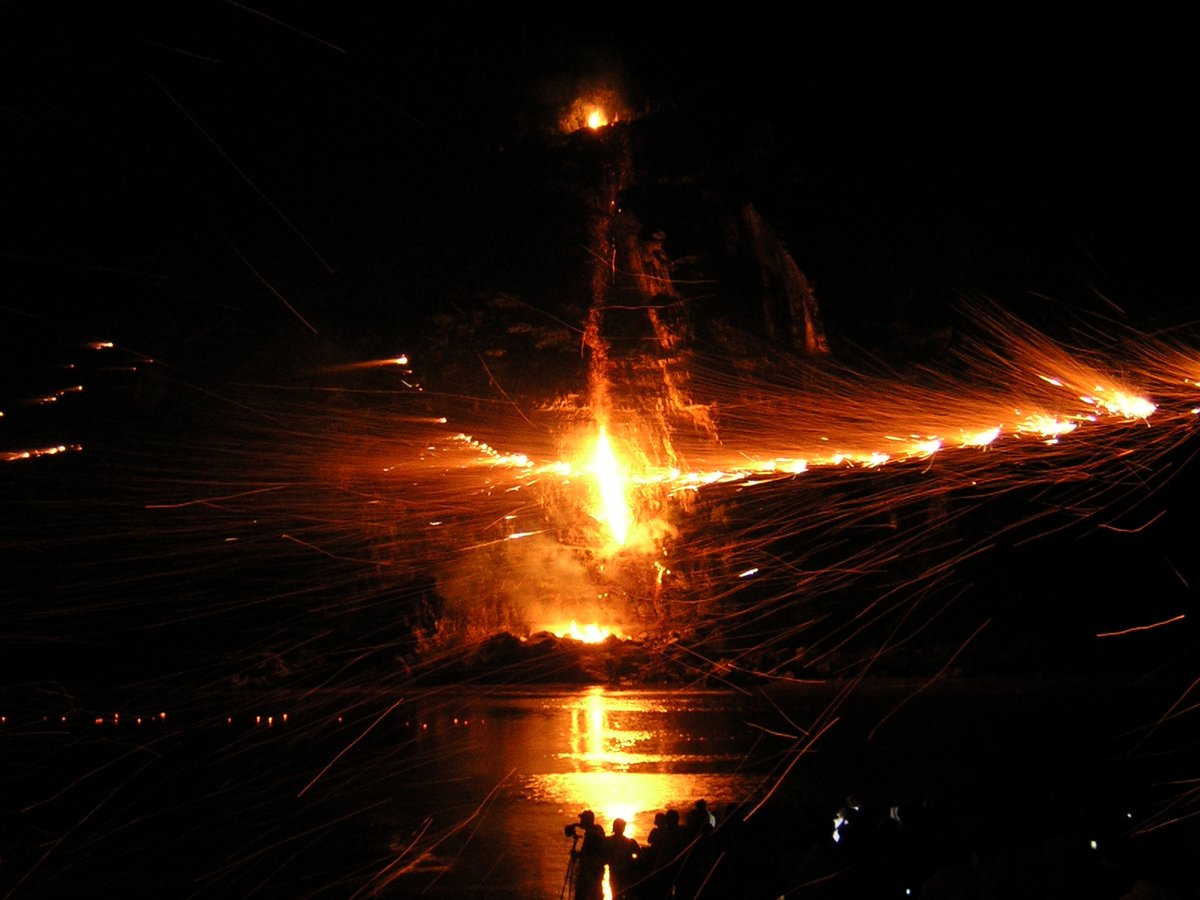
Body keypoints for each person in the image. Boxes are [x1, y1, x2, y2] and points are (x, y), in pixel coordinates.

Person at [571, 809, 607, 900]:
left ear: (587, 821)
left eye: (582, 820)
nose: (581, 821)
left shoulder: (591, 834)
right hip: (597, 869)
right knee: (596, 893)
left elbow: (587, 853)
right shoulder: (598, 829)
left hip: (589, 870)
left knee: (583, 893)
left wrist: (576, 855)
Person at [604, 817, 639, 899]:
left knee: (616, 895)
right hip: (625, 874)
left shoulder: (608, 841)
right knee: (625, 895)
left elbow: (602, 856)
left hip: (616, 873)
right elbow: (641, 856)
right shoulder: (630, 842)